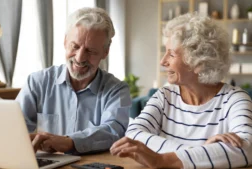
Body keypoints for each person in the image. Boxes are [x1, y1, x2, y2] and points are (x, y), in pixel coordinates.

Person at [110, 13, 252, 168]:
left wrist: (163, 160)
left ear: (199, 62)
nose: (163, 61)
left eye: (171, 54)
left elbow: (247, 149)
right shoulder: (165, 96)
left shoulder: (235, 99)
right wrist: (201, 152)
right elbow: (133, 134)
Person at [16, 7, 131, 154]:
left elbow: (113, 131)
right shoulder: (37, 82)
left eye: (90, 51)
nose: (79, 58)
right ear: (65, 42)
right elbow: (14, 127)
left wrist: (69, 142)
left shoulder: (116, 90)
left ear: (105, 52)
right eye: (75, 46)